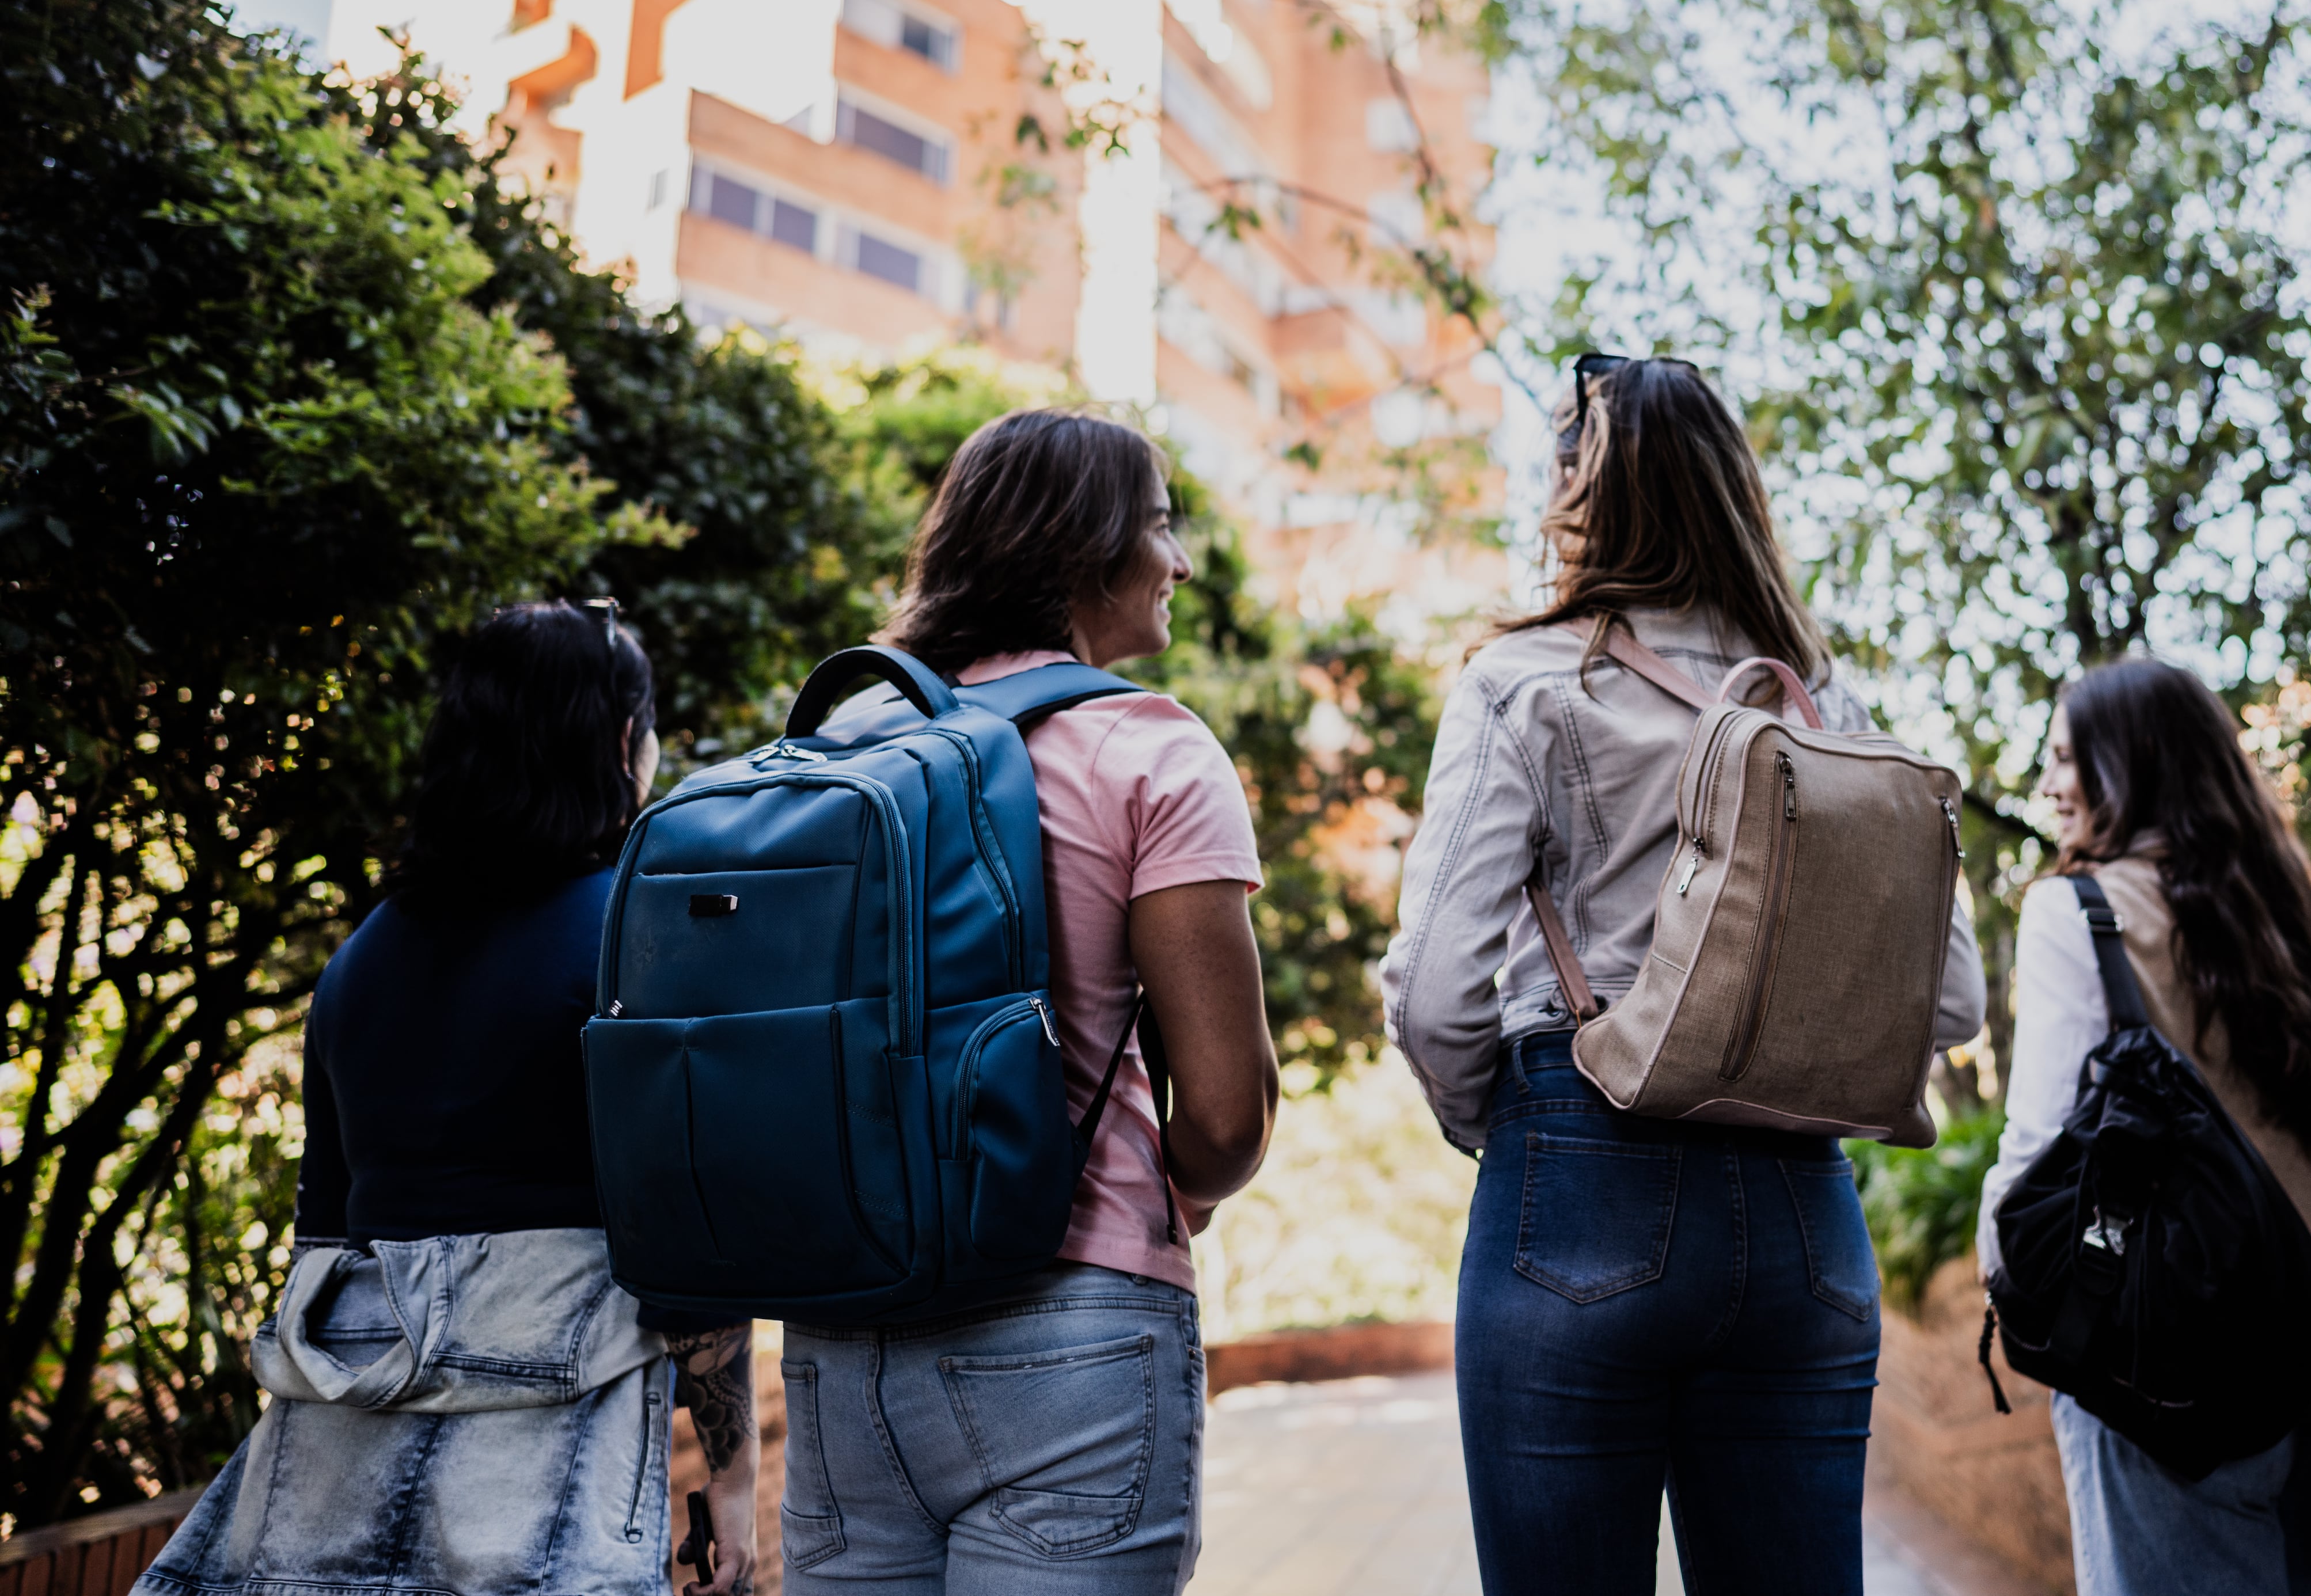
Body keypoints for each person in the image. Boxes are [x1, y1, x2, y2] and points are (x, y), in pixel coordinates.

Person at [1383, 355, 1988, 1596]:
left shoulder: (1527, 682)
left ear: (1577, 491)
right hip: (1804, 1219)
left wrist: (1501, 1128)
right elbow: (1953, 1002)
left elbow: (1437, 988)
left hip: (1576, 1167)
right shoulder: (1826, 704)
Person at [139, 601, 757, 1596]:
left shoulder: (360, 962)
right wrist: (732, 1481)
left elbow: (325, 1237)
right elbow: (695, 1247)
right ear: (613, 738)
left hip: (323, 1475)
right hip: (537, 1471)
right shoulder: (630, 941)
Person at [784, 408, 1278, 1596]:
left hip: (842, 1328)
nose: (1182, 559)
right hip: (1074, 1320)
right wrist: (1187, 1193)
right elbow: (1224, 1112)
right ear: (1083, 552)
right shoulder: (1148, 747)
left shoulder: (845, 740)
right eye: (1162, 526)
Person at [1976, 656, 2311, 1595]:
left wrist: (2009, 1270)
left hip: (2179, 1399)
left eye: (2070, 758)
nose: (2049, 785)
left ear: (2134, 765)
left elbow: (2034, 1158)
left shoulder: (2081, 914)